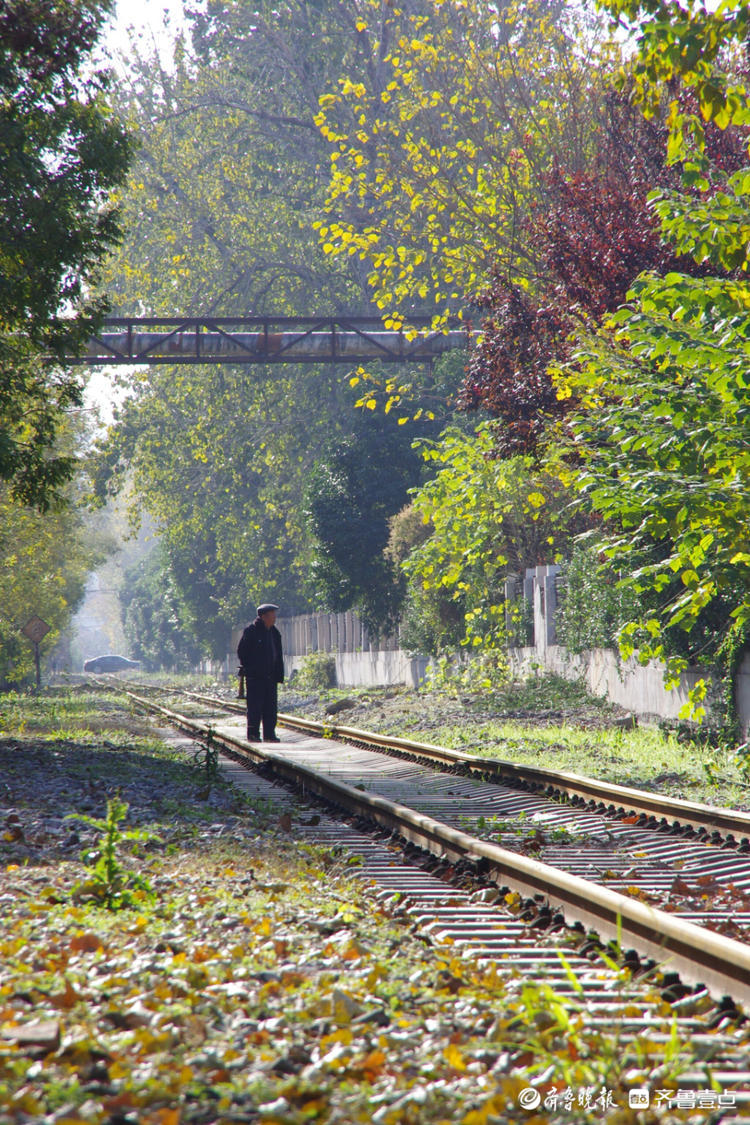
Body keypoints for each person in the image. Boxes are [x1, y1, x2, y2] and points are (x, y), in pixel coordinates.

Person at [237, 603, 284, 742]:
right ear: (263, 616)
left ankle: (269, 734)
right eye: (272, 614)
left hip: (271, 677)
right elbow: (242, 652)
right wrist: (251, 668)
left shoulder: (274, 633)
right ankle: (253, 734)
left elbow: (278, 655)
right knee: (255, 708)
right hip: (255, 678)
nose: (275, 617)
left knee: (270, 708)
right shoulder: (251, 631)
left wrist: (278, 674)